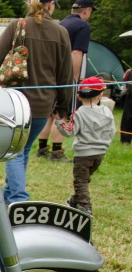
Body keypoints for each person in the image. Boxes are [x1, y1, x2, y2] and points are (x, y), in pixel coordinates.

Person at [0, 0, 73, 205]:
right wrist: (63, 106)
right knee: (21, 150)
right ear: (51, 5)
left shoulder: (17, 26)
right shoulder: (61, 33)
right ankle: (12, 196)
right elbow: (66, 75)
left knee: (16, 150)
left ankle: (17, 198)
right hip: (43, 104)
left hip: (14, 102)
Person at [37, 0, 96, 162]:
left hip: (50, 74)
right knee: (62, 113)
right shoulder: (83, 27)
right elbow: (76, 53)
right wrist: (74, 78)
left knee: (49, 112)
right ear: (87, 10)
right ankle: (56, 152)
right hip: (65, 76)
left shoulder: (61, 24)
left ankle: (42, 148)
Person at [55, 76, 115, 215]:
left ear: (79, 97)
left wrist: (59, 122)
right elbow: (112, 131)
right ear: (100, 95)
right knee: (84, 179)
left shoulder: (80, 113)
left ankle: (85, 207)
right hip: (100, 154)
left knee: (80, 181)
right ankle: (74, 201)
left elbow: (70, 132)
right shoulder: (107, 111)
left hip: (83, 155)